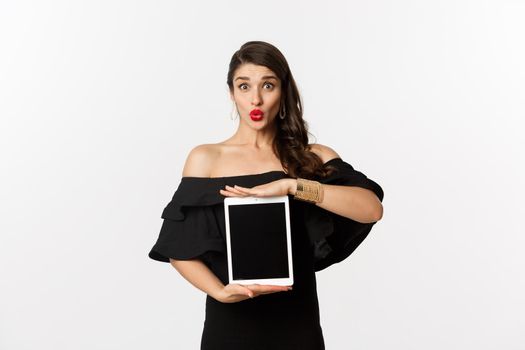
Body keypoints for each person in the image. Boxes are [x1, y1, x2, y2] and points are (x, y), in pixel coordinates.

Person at [148, 40, 384, 350]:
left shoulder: (312, 157)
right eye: (244, 87)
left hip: (296, 323)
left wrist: (292, 185)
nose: (255, 99)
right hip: (230, 323)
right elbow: (179, 246)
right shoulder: (206, 158)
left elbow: (371, 208)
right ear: (232, 93)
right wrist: (219, 292)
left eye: (268, 85)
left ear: (283, 92)